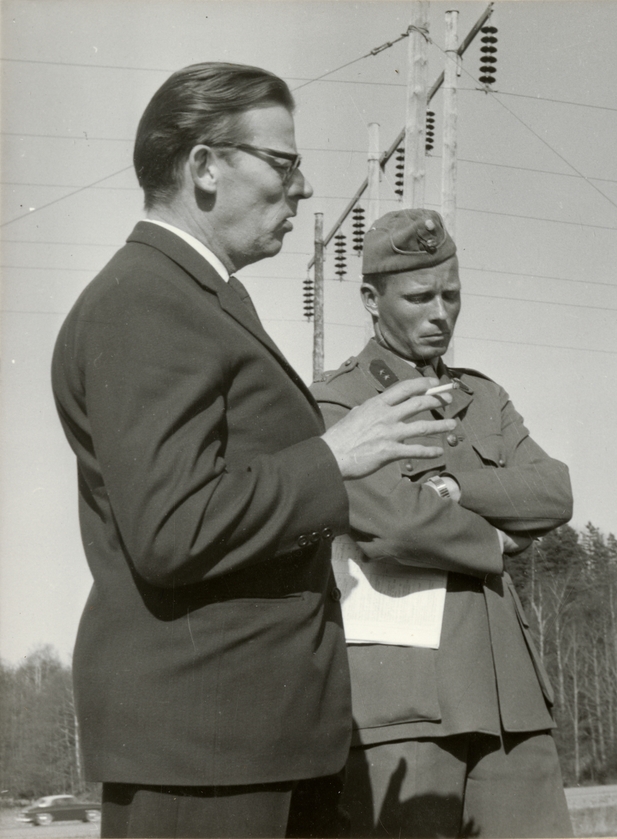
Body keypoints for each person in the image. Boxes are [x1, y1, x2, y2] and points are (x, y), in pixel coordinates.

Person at [50, 63, 457, 839]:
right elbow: (174, 526)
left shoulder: (190, 297)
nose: (302, 187)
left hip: (245, 737)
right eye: (283, 162)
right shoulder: (147, 301)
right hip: (206, 748)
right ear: (204, 166)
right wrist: (332, 459)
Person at [311, 209, 575, 838]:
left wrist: (454, 487)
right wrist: (492, 536)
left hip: (509, 698)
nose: (441, 313)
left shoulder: (483, 397)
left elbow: (553, 491)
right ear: (372, 300)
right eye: (420, 296)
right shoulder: (338, 403)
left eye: (451, 294)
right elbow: (392, 525)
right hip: (404, 703)